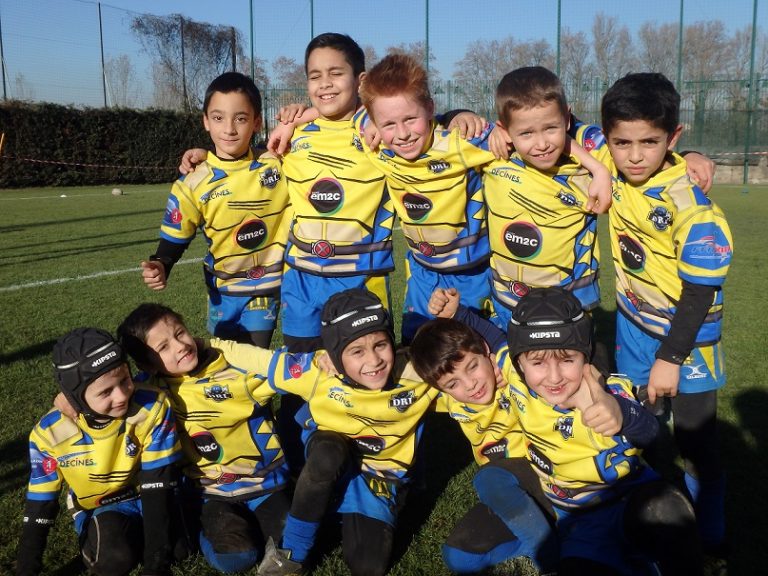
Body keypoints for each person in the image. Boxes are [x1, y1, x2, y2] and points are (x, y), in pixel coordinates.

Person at [429, 286, 704, 575]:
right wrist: (458, 313)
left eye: (567, 359)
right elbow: (498, 339)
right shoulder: (516, 377)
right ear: (518, 363)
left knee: (666, 509)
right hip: (579, 521)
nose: (554, 377)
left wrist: (621, 413)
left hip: (628, 503)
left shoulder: (603, 393)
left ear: (585, 356)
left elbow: (649, 431)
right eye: (537, 362)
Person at [598, 72, 733, 563]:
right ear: (607, 138)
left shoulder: (692, 206)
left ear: (673, 137)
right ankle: (654, 517)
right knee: (643, 427)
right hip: (634, 327)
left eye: (650, 142)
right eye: (622, 143)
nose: (634, 155)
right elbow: (551, 123)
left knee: (696, 442)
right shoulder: (609, 162)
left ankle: (710, 532)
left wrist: (671, 358)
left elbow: (700, 291)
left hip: (689, 342)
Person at [258, 288, 441, 576]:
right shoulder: (319, 370)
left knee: (368, 567)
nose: (374, 360)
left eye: (381, 345)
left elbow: (466, 373)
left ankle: (339, 505)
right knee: (327, 454)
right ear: (335, 355)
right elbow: (251, 359)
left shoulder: (416, 374)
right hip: (331, 453)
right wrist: (201, 345)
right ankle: (292, 551)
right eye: (357, 351)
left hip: (377, 476)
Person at [117, 303, 292, 574]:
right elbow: (106, 392)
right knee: (237, 559)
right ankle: (196, 524)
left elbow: (288, 369)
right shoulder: (148, 392)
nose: (180, 346)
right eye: (163, 347)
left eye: (180, 333)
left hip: (267, 483)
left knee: (293, 545)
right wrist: (67, 401)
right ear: (147, 365)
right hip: (211, 492)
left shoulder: (236, 365)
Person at [16, 328, 182, 576]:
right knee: (115, 559)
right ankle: (101, 531)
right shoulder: (49, 434)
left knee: (179, 550)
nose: (122, 395)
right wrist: (26, 568)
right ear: (74, 397)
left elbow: (157, 483)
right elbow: (41, 504)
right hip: (103, 505)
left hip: (148, 491)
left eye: (125, 380)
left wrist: (156, 566)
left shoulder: (153, 406)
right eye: (106, 392)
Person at [141, 71, 290, 348]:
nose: (229, 129)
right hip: (221, 289)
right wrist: (161, 263)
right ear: (206, 122)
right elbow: (177, 234)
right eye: (219, 118)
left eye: (240, 118)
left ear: (257, 122)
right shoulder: (193, 181)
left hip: (264, 287)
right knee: (227, 360)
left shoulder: (278, 163)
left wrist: (298, 114)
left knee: (252, 358)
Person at [409, 318, 558, 575]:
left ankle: (550, 559)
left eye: (473, 366)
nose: (470, 384)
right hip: (514, 495)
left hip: (550, 476)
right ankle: (546, 531)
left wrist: (499, 358)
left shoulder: (513, 373)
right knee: (458, 557)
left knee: (489, 478)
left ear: (485, 350)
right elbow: (396, 375)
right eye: (453, 384)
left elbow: (512, 342)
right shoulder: (450, 399)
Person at [483, 66, 613, 330]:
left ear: (567, 120)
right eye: (526, 133)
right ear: (504, 130)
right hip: (507, 301)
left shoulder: (592, 162)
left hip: (568, 308)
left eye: (551, 128)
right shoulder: (492, 153)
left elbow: (642, 150)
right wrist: (459, 115)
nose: (541, 144)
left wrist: (691, 156)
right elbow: (435, 131)